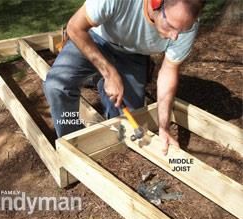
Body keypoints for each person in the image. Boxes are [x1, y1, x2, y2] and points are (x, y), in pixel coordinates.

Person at [44, 0, 205, 154]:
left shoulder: (186, 25)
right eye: (170, 25)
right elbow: (74, 27)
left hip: (133, 55)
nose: (175, 36)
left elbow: (168, 72)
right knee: (57, 86)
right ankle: (71, 142)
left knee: (125, 124)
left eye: (182, 30)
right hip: (94, 40)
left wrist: (164, 127)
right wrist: (109, 73)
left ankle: (99, 79)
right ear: (156, 3)